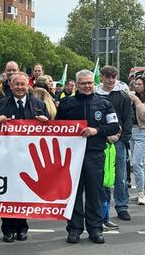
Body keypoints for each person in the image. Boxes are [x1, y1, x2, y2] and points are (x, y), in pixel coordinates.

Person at [56, 69, 120, 244]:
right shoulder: (66, 104)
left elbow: (114, 127)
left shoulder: (104, 103)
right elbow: (56, 129)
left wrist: (96, 131)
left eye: (90, 83)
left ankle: (95, 229)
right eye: (83, 83)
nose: (87, 86)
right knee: (74, 194)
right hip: (72, 158)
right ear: (76, 84)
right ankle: (75, 229)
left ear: (94, 83)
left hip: (95, 155)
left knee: (95, 194)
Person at [0, 72, 49, 243]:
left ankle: (22, 227)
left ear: (28, 86)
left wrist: (46, 122)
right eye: (16, 84)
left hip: (29, 158)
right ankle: (7, 229)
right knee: (8, 194)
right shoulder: (1, 105)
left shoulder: (38, 104)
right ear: (10, 85)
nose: (20, 87)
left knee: (24, 194)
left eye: (23, 84)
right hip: (6, 158)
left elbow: (53, 130)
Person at [96, 65, 133, 221]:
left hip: (118, 141)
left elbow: (127, 119)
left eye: (114, 77)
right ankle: (101, 206)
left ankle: (122, 206)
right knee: (100, 175)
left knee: (121, 176)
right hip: (99, 140)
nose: (111, 80)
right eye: (108, 77)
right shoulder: (95, 94)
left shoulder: (123, 96)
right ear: (102, 77)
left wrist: (123, 139)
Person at [128, 76, 145, 205]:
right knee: (138, 163)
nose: (137, 86)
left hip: (141, 132)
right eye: (135, 84)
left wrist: (137, 100)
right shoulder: (132, 96)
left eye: (139, 84)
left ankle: (141, 192)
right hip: (131, 131)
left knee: (137, 163)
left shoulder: (137, 98)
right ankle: (141, 190)